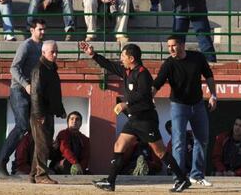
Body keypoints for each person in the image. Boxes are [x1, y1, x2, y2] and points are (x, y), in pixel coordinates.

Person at [80, 41, 190, 192]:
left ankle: (182, 179)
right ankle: (110, 182)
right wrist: (93, 54)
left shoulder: (143, 74)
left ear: (131, 58)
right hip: (134, 120)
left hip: (146, 120)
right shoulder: (127, 71)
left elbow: (144, 95)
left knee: (159, 151)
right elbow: (109, 65)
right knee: (119, 145)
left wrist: (125, 104)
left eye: (123, 56)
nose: (121, 59)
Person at [152, 35, 217, 187]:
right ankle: (179, 177)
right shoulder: (169, 63)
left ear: (182, 45)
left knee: (202, 139)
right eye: (168, 46)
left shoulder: (197, 57)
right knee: (178, 142)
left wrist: (213, 95)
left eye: (173, 46)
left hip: (198, 104)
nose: (171, 49)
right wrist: (151, 96)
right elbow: (158, 82)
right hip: (179, 105)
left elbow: (209, 76)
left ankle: (197, 175)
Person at [0, 18, 46, 176]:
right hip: (19, 90)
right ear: (32, 30)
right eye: (40, 29)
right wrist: (26, 85)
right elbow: (13, 69)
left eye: (44, 29)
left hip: (33, 91)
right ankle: (1, 160)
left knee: (35, 128)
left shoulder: (43, 47)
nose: (43, 32)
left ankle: (25, 165)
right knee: (23, 125)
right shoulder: (26, 46)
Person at [29, 40, 67, 184]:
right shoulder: (40, 69)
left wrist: (60, 110)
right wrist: (40, 115)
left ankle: (34, 174)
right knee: (43, 145)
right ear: (43, 52)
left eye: (57, 51)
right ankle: (41, 175)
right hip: (41, 114)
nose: (55, 54)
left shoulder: (51, 68)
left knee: (42, 144)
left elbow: (54, 93)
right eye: (52, 52)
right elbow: (36, 94)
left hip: (48, 112)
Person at [51, 111, 90, 175]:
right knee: (65, 163)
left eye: (77, 119)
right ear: (68, 122)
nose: (74, 121)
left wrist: (81, 168)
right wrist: (75, 163)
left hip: (77, 166)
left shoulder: (85, 139)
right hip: (61, 164)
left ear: (80, 123)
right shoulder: (63, 134)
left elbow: (86, 156)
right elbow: (65, 149)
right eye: (72, 119)